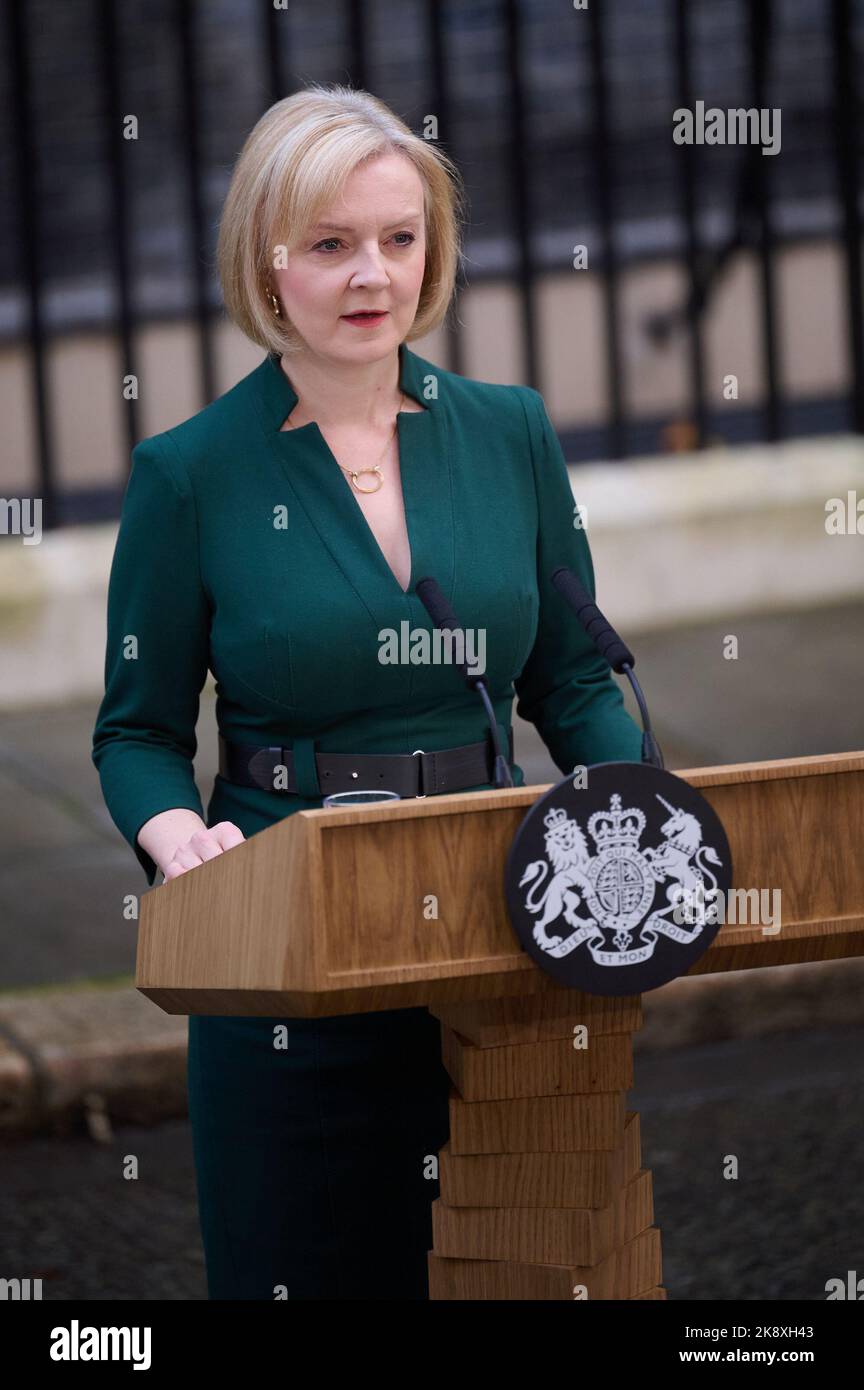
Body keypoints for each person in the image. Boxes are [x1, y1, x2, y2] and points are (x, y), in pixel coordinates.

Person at [92, 82, 644, 1300]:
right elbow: (134, 732)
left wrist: (632, 805)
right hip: (289, 932)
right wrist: (181, 838)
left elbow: (574, 672)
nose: (371, 277)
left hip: (502, 918)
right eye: (331, 244)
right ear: (265, 257)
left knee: (517, 1266)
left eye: (399, 239)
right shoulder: (188, 476)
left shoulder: (512, 431)